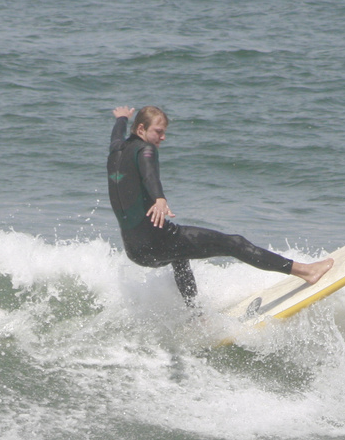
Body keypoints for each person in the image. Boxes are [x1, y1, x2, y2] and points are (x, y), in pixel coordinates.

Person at [106, 106, 332, 305]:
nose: (162, 138)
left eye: (164, 132)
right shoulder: (146, 150)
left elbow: (117, 135)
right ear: (142, 129)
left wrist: (121, 118)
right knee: (235, 243)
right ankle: (306, 271)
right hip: (157, 243)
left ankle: (196, 317)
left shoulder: (117, 149)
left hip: (136, 251)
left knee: (180, 256)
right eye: (158, 131)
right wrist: (159, 198)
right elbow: (148, 173)